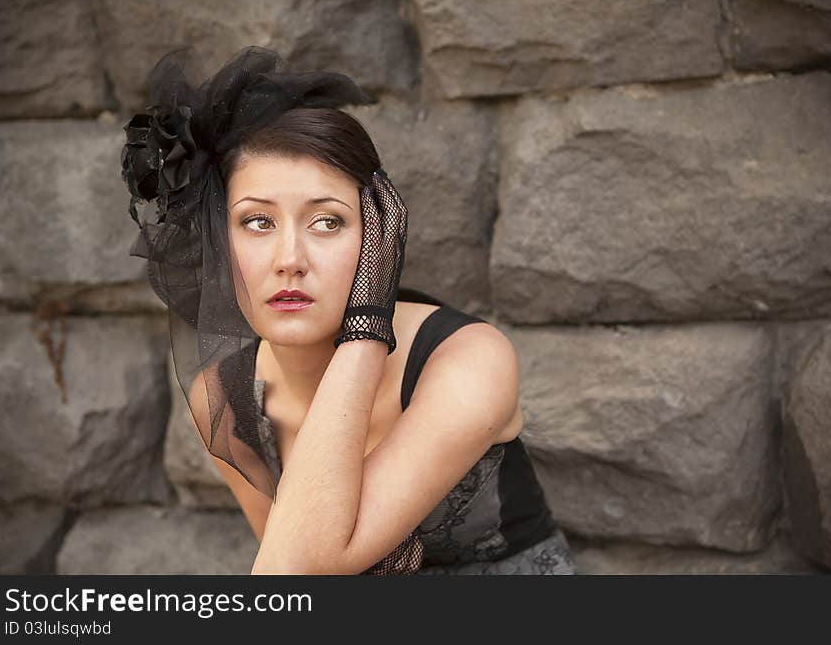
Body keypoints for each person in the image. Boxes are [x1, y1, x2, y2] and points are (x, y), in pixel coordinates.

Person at [120, 45, 577, 575]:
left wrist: (366, 328)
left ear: (378, 236)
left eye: (328, 222)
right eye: (257, 222)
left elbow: (300, 569)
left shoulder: (470, 358)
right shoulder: (221, 399)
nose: (290, 260)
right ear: (218, 241)